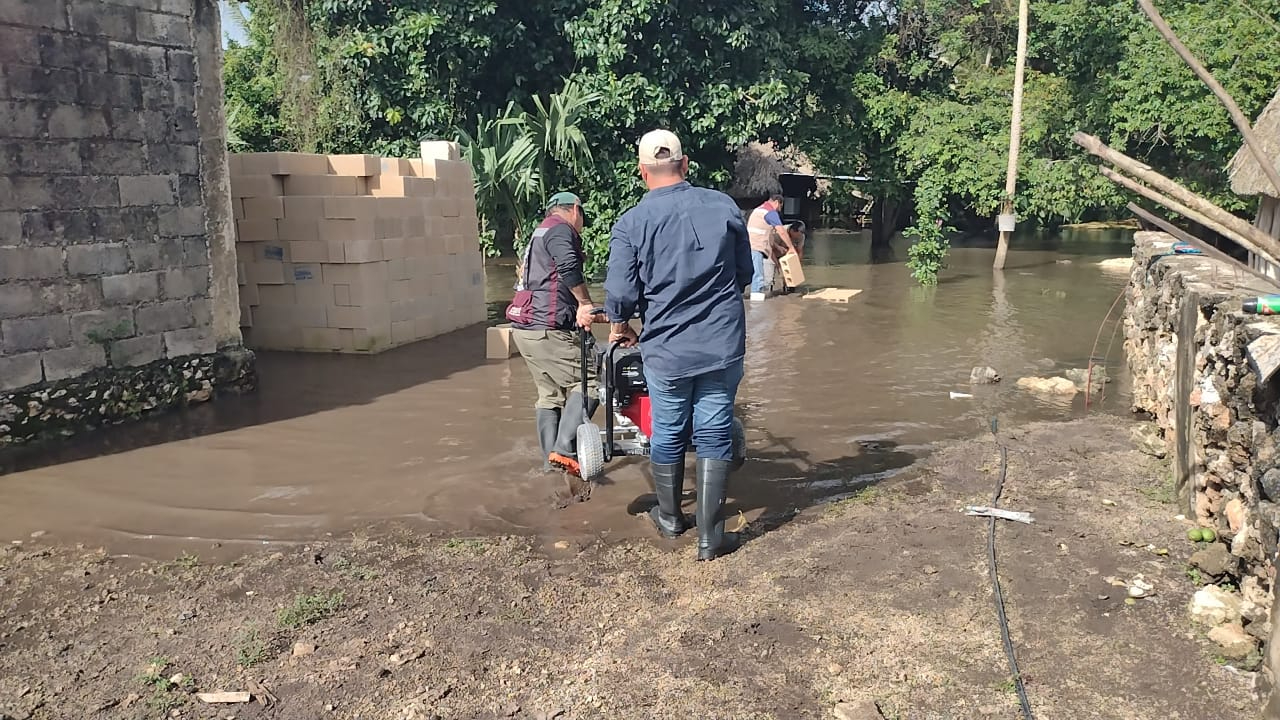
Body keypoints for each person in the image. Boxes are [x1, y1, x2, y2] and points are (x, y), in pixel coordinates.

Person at [602, 129, 753, 561]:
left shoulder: (631, 223)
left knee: (667, 428)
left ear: (641, 172)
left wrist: (621, 326)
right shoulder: (724, 206)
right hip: (721, 343)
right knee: (713, 428)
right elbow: (744, 274)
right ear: (685, 166)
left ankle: (670, 520)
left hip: (666, 349)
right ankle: (711, 538)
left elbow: (620, 295)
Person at [510, 192, 602, 477]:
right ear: (575, 209)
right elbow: (568, 266)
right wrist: (586, 303)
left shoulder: (540, 231)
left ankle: (552, 466)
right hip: (546, 327)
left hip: (525, 329)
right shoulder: (561, 229)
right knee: (591, 380)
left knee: (549, 395)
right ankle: (564, 450)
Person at [745, 194, 791, 301]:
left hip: (749, 244)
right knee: (758, 276)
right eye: (780, 207)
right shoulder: (770, 212)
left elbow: (767, 235)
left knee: (752, 273)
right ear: (777, 202)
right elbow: (782, 232)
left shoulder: (759, 210)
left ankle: (748, 298)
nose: (779, 211)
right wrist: (791, 247)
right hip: (756, 246)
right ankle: (756, 304)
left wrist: (778, 247)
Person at [768, 220, 806, 294]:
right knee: (771, 277)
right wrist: (777, 263)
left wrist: (798, 265)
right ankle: (771, 291)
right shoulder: (779, 232)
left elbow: (800, 250)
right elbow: (770, 248)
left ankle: (789, 292)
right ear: (792, 231)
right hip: (772, 254)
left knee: (790, 276)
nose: (798, 237)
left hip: (786, 256)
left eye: (800, 235)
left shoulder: (801, 236)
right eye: (797, 235)